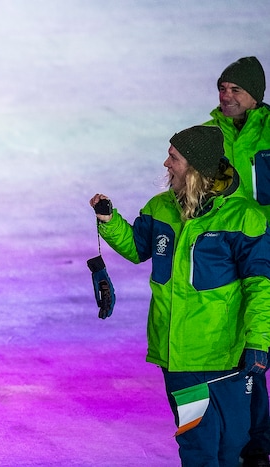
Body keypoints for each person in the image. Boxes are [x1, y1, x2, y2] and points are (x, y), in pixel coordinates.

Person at [90, 125, 270, 466]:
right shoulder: (160, 208)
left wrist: (259, 340)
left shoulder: (244, 218)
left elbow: (261, 285)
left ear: (197, 167)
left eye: (174, 157)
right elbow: (137, 248)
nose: (166, 164)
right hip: (180, 359)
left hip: (227, 357)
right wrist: (109, 221)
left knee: (234, 444)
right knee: (198, 445)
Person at [204, 56, 270, 466]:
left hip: (265, 243)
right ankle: (256, 441)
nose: (226, 96)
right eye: (222, 87)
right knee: (248, 344)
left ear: (256, 97)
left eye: (235, 90)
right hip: (232, 245)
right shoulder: (211, 133)